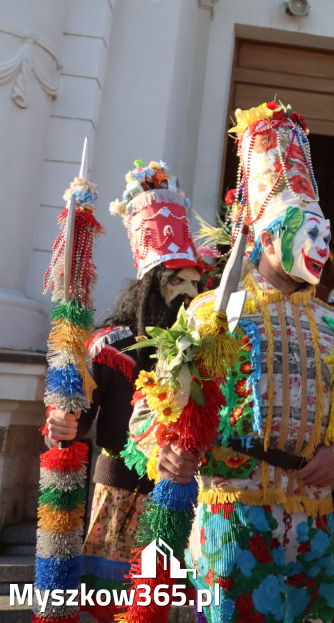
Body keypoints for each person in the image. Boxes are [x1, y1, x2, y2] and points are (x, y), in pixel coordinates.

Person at [123, 101, 334, 623]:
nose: (321, 247)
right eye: (308, 232)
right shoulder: (211, 313)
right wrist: (165, 451)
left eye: (325, 235)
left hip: (315, 532)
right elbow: (149, 408)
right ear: (268, 236)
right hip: (231, 528)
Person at [45, 160, 201, 621]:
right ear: (152, 287)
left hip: (185, 500)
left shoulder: (204, 349)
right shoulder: (112, 346)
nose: (190, 291)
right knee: (112, 607)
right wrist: (63, 425)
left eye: (196, 280)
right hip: (121, 498)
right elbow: (77, 420)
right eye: (178, 280)